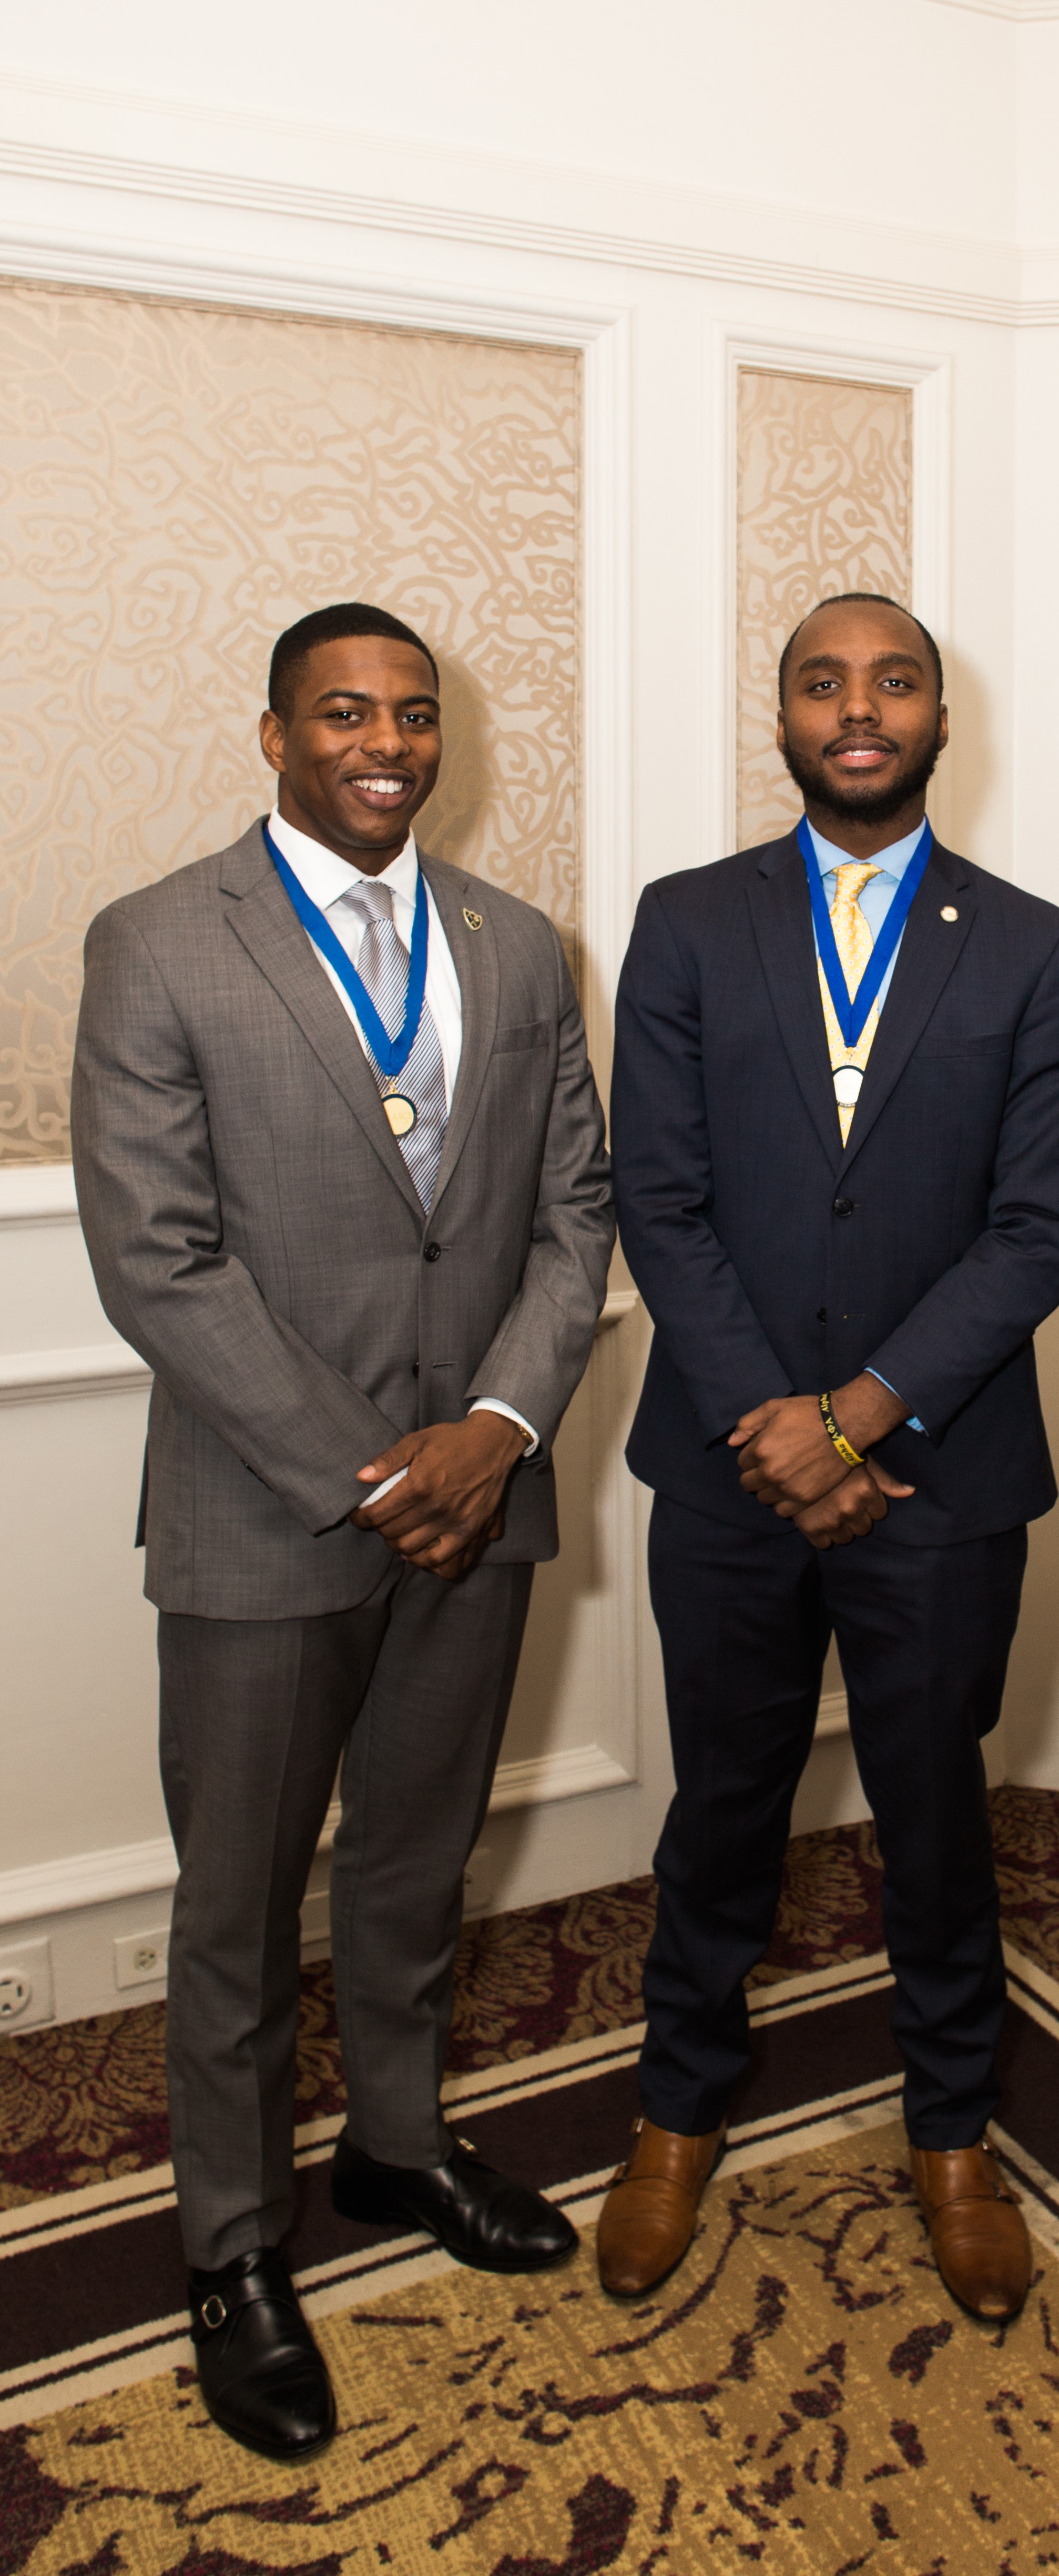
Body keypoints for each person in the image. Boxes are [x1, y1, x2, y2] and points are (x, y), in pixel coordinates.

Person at [71, 603, 615, 2465]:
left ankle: (395, 2145)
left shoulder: (519, 945)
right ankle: (231, 2247)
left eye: (412, 714)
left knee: (414, 1860)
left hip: (485, 1498)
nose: (385, 744)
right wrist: (378, 1471)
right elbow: (157, 1258)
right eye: (343, 714)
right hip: (266, 1509)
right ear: (276, 735)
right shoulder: (160, 940)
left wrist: (496, 1432)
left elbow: (574, 1211)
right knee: (237, 1905)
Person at [602, 592, 1059, 2322]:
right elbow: (657, 1199)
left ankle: (951, 2131)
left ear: (942, 720)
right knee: (721, 1805)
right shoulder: (686, 920)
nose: (858, 708)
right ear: (783, 719)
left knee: (935, 1817)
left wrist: (862, 1415)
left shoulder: (1029, 944)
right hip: (725, 1469)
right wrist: (781, 1428)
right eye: (824, 683)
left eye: (893, 683)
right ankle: (676, 2111)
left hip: (939, 1481)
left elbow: (1036, 1231)